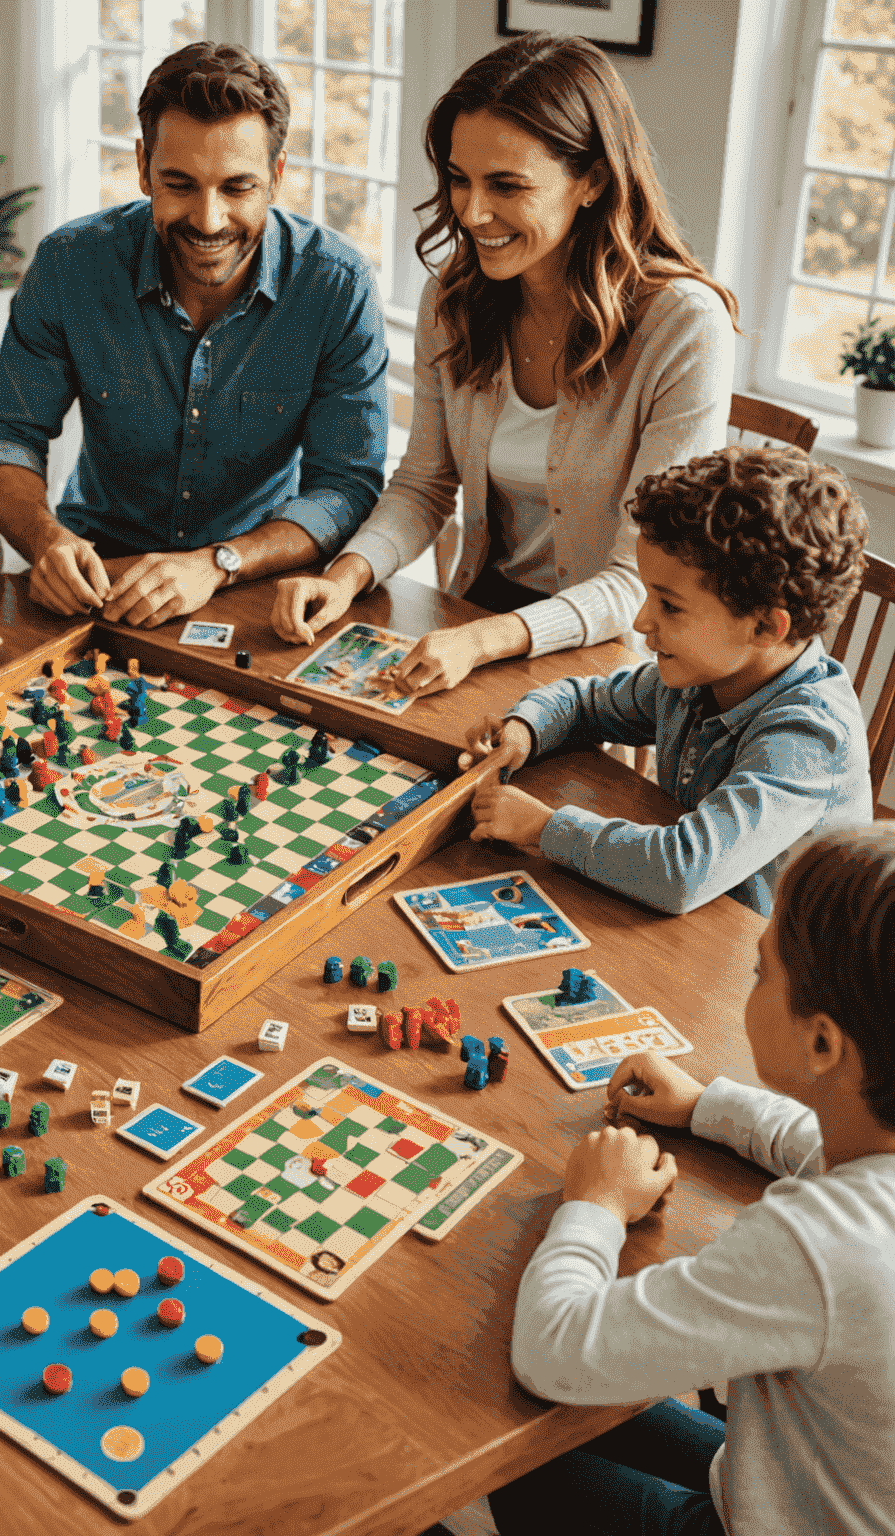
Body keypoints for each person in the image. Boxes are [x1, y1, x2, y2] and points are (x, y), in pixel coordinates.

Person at [272, 30, 737, 695]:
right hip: (472, 617)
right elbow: (426, 483)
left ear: (592, 181)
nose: (472, 212)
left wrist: (487, 637)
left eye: (507, 185)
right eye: (459, 180)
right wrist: (345, 574)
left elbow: (641, 574)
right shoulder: (452, 301)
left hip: (605, 658)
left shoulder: (685, 326)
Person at [488, 825, 895, 1536]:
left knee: (518, 1472)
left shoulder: (817, 1245)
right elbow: (820, 1144)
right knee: (592, 1420)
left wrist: (595, 1206)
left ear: (822, 1042)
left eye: (762, 970)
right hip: (831, 1487)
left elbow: (551, 1350)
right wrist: (707, 1104)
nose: (753, 975)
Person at [0, 40, 389, 627]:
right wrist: (44, 541)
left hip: (253, 578)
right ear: (142, 168)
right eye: (180, 184)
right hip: (95, 572)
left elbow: (347, 483)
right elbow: (3, 436)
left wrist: (219, 563)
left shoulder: (336, 285)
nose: (209, 221)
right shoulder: (70, 264)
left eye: (237, 187)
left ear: (277, 176)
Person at [459, 446, 870, 916]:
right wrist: (523, 730)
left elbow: (682, 869)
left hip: (776, 965)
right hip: (688, 924)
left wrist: (543, 828)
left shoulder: (810, 737)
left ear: (763, 627)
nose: (640, 621)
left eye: (669, 605)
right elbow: (584, 702)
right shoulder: (696, 676)